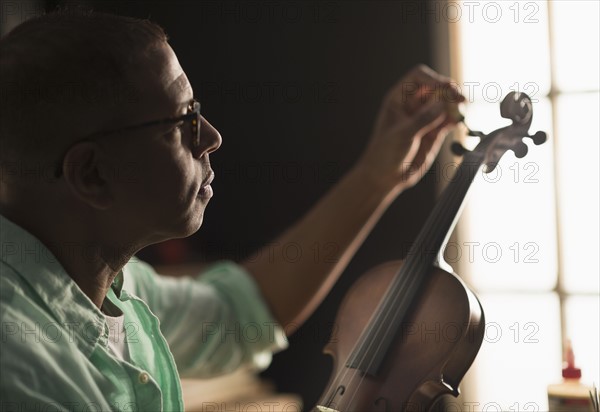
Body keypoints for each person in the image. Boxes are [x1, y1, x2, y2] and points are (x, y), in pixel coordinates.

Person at [0, 10, 464, 411]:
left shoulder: (101, 279)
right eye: (182, 122)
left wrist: (379, 175)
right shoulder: (18, 361)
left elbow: (238, 317)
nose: (212, 136)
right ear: (92, 175)